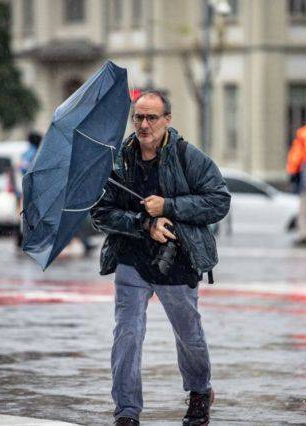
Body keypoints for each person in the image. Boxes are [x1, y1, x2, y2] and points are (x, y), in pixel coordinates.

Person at [91, 91, 230, 425]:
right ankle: (126, 410)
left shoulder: (187, 156)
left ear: (168, 119)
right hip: (131, 260)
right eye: (138, 117)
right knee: (127, 333)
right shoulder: (118, 161)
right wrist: (143, 223)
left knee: (188, 334)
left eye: (152, 117)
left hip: (178, 260)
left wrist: (168, 206)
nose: (144, 124)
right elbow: (100, 214)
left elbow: (219, 201)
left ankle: (199, 393)